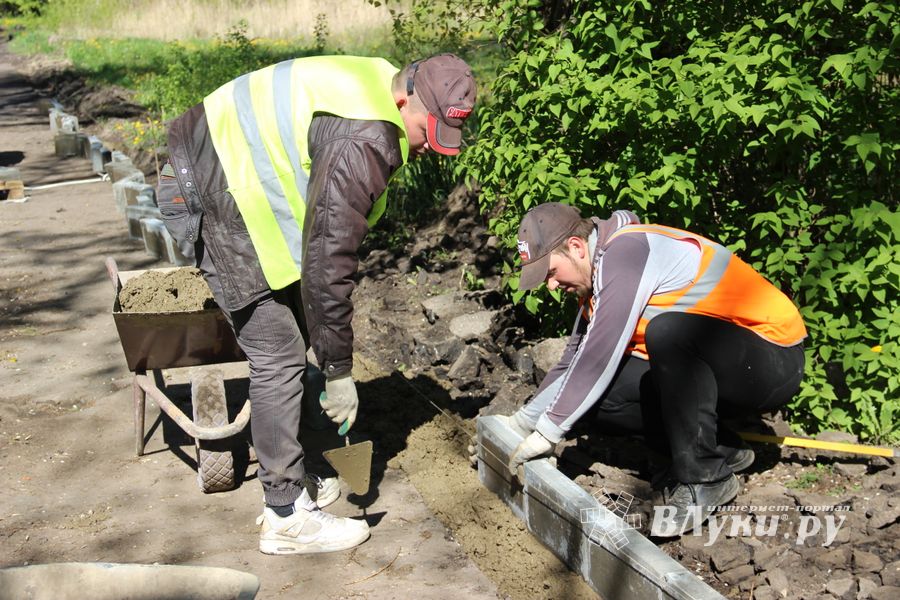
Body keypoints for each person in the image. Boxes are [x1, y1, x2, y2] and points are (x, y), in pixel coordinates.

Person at [156, 53, 476, 554]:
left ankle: (296, 473)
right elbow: (329, 259)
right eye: (425, 129)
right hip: (209, 188)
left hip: (227, 179)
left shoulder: (373, 85)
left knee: (297, 335)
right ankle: (285, 516)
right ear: (404, 97)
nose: (428, 146)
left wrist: (329, 354)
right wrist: (339, 370)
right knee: (279, 352)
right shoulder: (363, 138)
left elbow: (321, 239)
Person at [505, 202, 806, 534]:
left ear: (576, 248)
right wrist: (519, 426)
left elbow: (600, 357)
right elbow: (574, 362)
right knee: (599, 401)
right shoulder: (596, 276)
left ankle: (706, 478)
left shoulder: (626, 255)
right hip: (722, 368)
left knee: (666, 333)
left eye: (550, 272)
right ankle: (724, 450)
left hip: (772, 357)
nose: (550, 286)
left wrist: (549, 433)